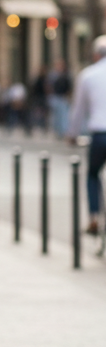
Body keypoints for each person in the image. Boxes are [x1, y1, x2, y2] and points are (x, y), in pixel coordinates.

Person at [66, 36, 106, 236]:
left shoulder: (88, 75)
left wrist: (72, 134)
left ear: (96, 54)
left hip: (99, 133)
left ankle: (94, 218)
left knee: (92, 174)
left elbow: (78, 110)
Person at [48, 58, 72, 139]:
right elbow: (49, 86)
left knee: (64, 116)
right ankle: (57, 131)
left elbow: (69, 86)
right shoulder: (53, 75)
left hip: (63, 97)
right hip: (55, 97)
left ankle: (63, 131)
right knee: (56, 116)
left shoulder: (66, 75)